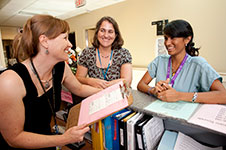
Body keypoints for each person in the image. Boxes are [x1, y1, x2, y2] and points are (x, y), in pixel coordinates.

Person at [0, 15, 101, 149]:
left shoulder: (61, 67)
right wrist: (64, 138)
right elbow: (14, 138)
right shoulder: (10, 81)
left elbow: (80, 89)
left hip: (47, 140)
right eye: (65, 38)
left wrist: (110, 93)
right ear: (44, 41)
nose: (70, 44)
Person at [137, 19, 226, 104]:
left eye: (173, 38)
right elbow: (141, 84)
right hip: (158, 116)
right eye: (166, 38)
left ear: (187, 39)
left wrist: (179, 96)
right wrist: (153, 90)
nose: (167, 43)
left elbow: (223, 96)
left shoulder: (198, 65)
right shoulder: (159, 61)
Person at [76, 16, 132, 89]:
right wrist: (90, 81)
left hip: (118, 97)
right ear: (97, 33)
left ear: (116, 35)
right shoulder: (87, 53)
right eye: (102, 30)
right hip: (94, 96)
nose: (106, 35)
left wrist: (105, 85)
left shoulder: (123, 53)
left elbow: (127, 81)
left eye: (110, 32)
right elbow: (78, 78)